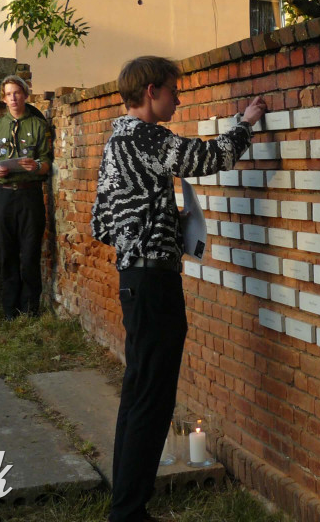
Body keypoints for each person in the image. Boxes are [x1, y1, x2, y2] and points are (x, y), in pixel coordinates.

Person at [91, 56, 266, 522]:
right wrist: (245, 123)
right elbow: (208, 158)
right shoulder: (146, 136)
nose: (179, 99)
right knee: (152, 400)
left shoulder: (115, 140)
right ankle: (129, 514)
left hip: (134, 280)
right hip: (154, 282)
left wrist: (159, 219)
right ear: (151, 91)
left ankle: (126, 508)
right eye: (173, 89)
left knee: (138, 396)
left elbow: (101, 223)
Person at [0, 74, 52, 319]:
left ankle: (30, 307)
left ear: (25, 95)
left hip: (29, 194)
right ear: (3, 99)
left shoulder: (38, 125)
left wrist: (36, 166)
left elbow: (47, 162)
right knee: (8, 252)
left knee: (30, 252)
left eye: (17, 93)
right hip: (5, 195)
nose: (13, 98)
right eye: (8, 94)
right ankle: (10, 308)